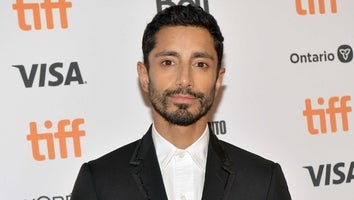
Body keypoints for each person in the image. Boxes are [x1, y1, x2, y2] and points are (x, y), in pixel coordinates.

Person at [71, 4, 292, 200]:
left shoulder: (263, 181)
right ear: (145, 76)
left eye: (200, 64)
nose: (184, 80)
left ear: (218, 79)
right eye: (168, 62)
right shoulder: (100, 182)